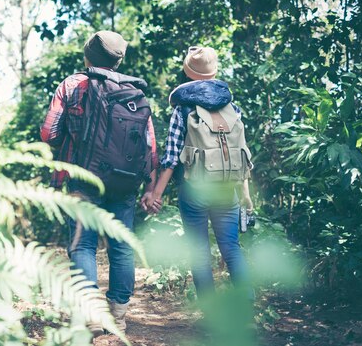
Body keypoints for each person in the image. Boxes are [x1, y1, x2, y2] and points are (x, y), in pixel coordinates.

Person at [40, 31, 159, 337]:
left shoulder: (72, 84)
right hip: (125, 183)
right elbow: (149, 145)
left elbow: (48, 134)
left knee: (83, 245)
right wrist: (150, 186)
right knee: (121, 247)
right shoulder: (136, 92)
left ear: (88, 55)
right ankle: (118, 316)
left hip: (83, 177)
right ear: (119, 60)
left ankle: (91, 316)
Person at [142, 46, 254, 300]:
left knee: (199, 252)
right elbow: (241, 153)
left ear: (188, 73)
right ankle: (247, 308)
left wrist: (155, 194)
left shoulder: (183, 109)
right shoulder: (233, 109)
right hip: (227, 189)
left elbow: (171, 158)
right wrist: (245, 194)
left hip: (195, 190)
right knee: (232, 249)